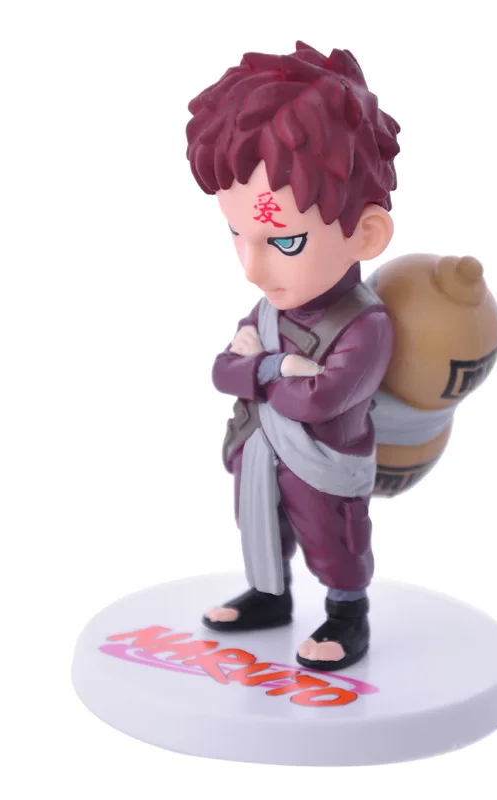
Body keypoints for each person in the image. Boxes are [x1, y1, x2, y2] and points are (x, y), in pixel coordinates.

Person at [185, 41, 399, 671]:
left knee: (333, 541)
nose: (252, 270)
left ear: (365, 233)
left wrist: (257, 372)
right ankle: (269, 594)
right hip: (261, 454)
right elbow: (223, 371)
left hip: (327, 462)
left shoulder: (365, 325)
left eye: (285, 241)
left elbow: (321, 398)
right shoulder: (269, 311)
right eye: (237, 233)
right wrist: (276, 368)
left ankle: (347, 613)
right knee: (260, 526)